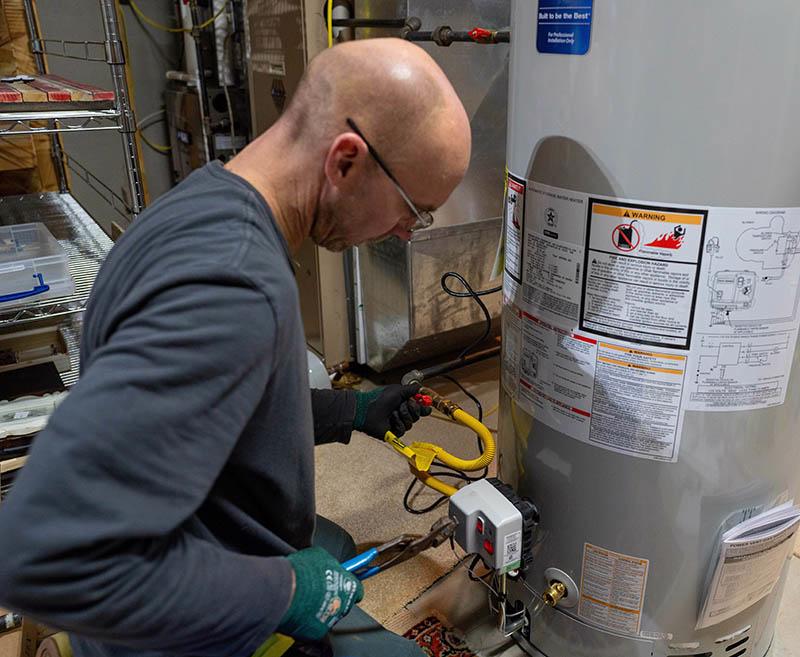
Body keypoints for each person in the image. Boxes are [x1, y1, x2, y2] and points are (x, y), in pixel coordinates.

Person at [0, 38, 471, 657]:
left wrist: (355, 411)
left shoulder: (203, 203)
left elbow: (227, 406)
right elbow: (44, 554)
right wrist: (284, 592)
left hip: (203, 541)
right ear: (347, 161)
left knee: (333, 545)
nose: (406, 231)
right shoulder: (232, 285)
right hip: (188, 631)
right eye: (416, 210)